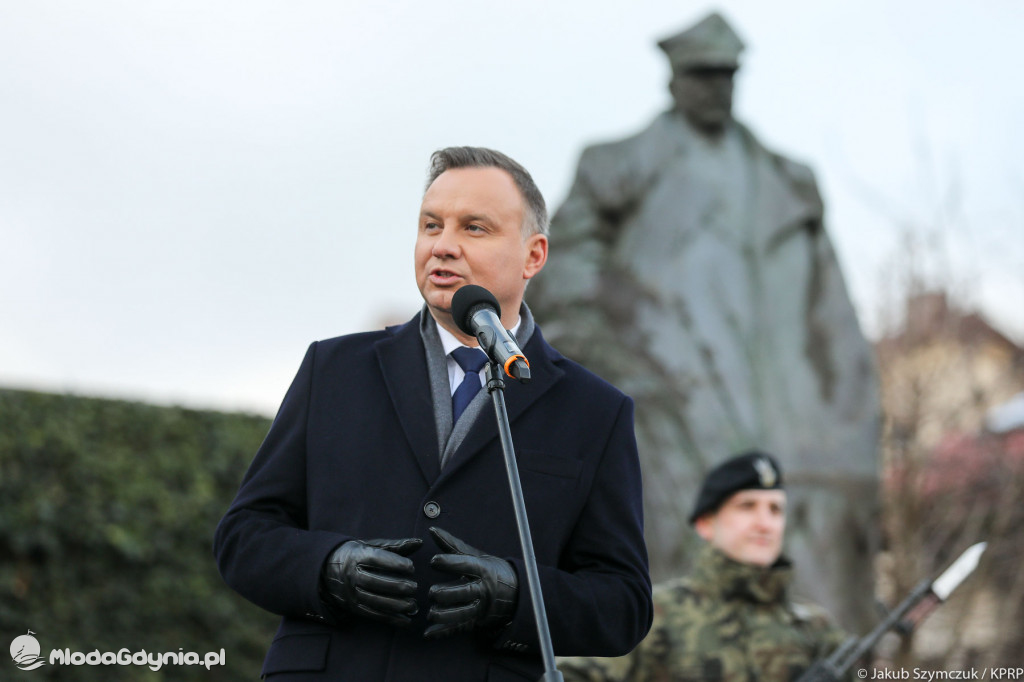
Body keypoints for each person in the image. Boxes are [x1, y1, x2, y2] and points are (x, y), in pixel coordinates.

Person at [214, 146, 652, 681]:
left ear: (533, 255)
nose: (442, 246)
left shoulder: (595, 412)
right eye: (431, 225)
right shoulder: (333, 368)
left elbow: (624, 603)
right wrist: (327, 569)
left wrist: (516, 595)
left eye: (474, 228)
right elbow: (244, 537)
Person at [528, 11, 879, 629]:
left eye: (727, 75)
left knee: (811, 612)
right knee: (673, 598)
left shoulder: (788, 181)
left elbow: (835, 325)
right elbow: (564, 288)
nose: (717, 87)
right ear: (674, 80)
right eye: (703, 74)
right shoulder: (616, 167)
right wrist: (632, 377)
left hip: (787, 419)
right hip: (668, 412)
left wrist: (848, 436)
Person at [558, 451, 849, 682]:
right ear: (705, 523)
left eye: (775, 509)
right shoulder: (654, 615)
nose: (765, 524)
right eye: (747, 506)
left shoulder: (816, 629)